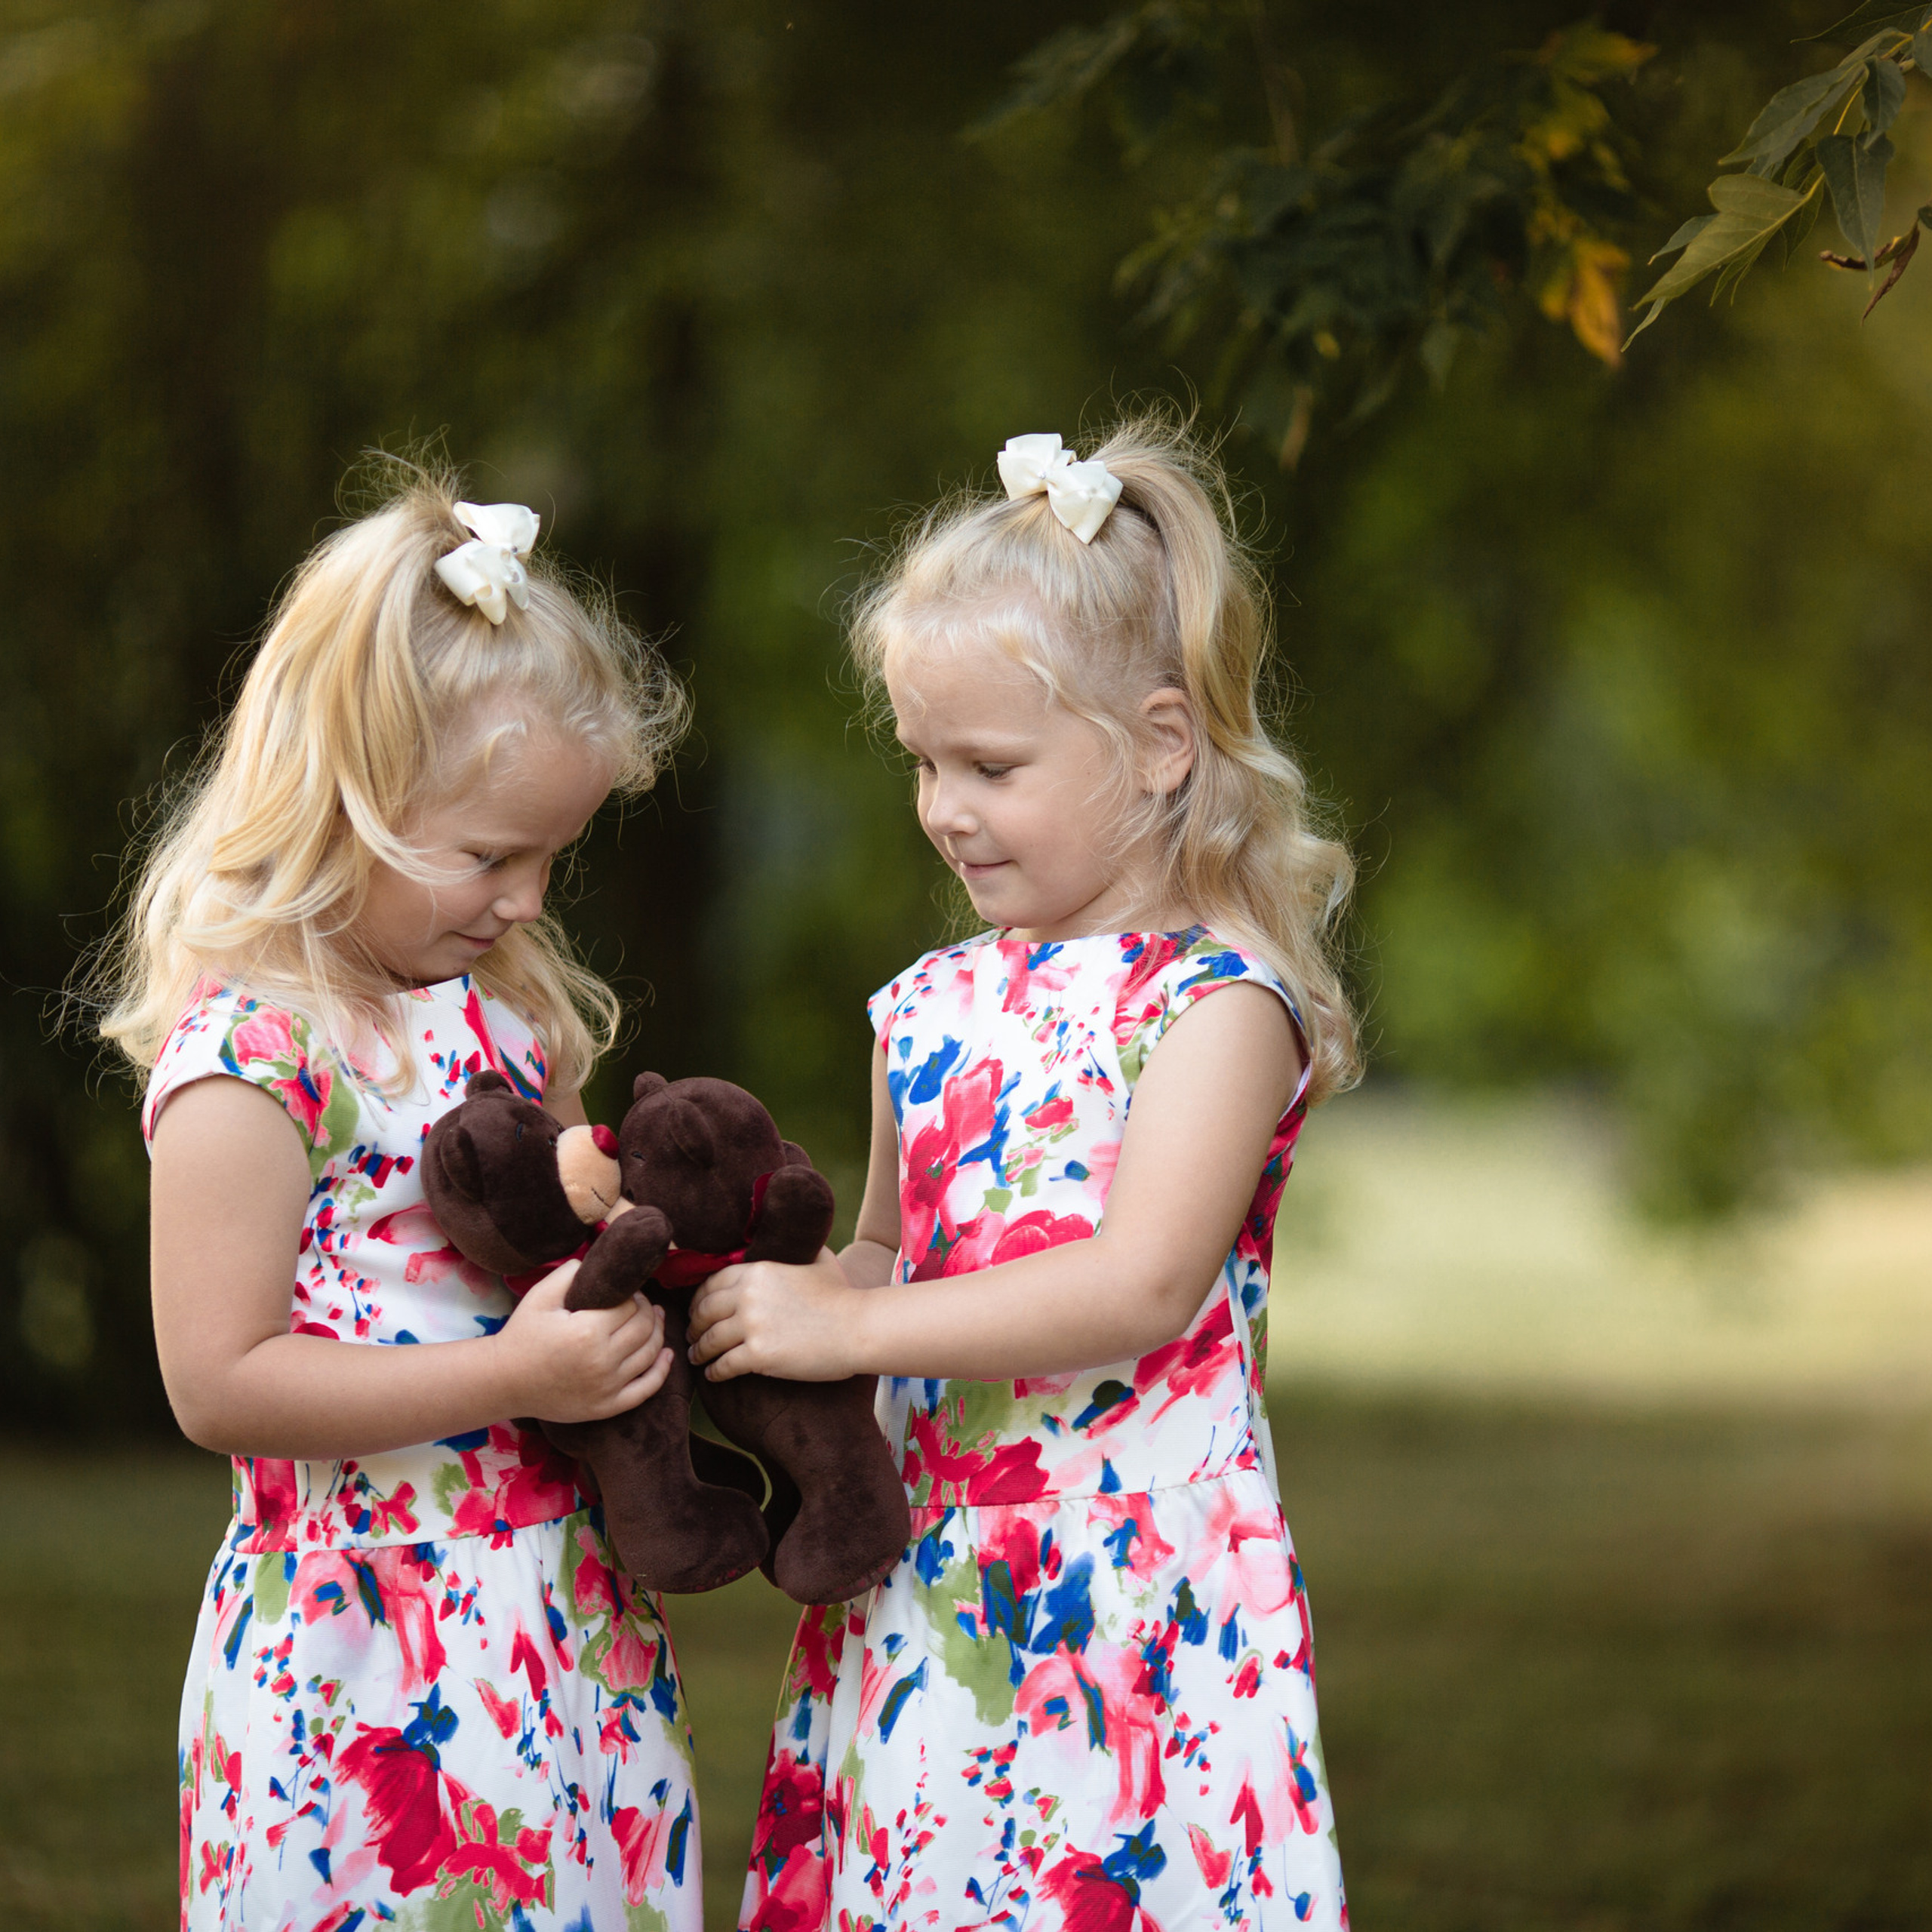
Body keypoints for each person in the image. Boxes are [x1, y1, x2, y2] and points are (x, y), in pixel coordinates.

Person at [689, 419, 1359, 1930]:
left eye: (990, 766)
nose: (944, 805)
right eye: (923, 762)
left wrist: (855, 1327)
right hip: (927, 1566)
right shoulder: (924, 1005)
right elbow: (885, 1252)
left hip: (1129, 1587)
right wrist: (776, 1309)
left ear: (1161, 743)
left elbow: (1140, 1282)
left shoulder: (1214, 1003)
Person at [98, 473, 704, 1930]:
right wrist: (513, 1376)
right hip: (365, 1655)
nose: (527, 899)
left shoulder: (509, 1024)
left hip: (560, 1620)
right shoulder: (255, 1056)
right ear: (340, 800)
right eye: (489, 855)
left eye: (550, 856)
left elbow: (564, 1258)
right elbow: (219, 1381)